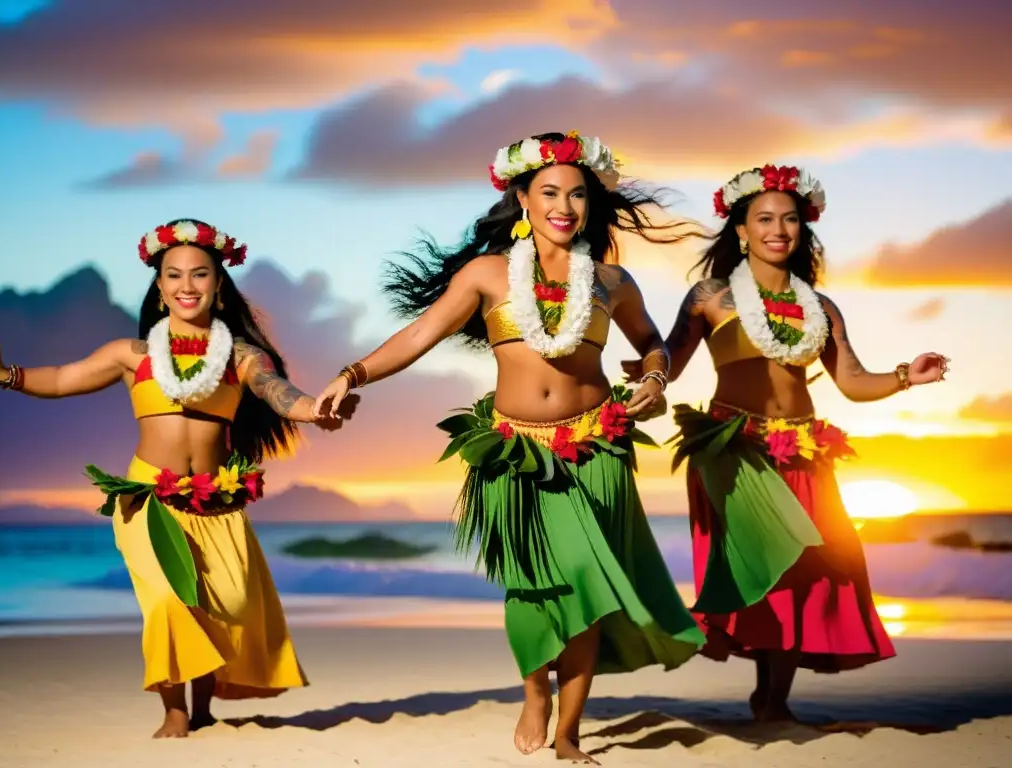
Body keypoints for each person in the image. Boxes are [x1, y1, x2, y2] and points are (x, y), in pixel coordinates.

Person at [314, 132, 706, 763]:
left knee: (585, 587)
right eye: (550, 191)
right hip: (515, 454)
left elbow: (653, 342)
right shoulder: (489, 275)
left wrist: (657, 377)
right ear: (522, 197)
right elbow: (420, 334)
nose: (565, 205)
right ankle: (534, 691)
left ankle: (570, 733)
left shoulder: (611, 279)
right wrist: (351, 373)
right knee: (530, 589)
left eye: (578, 194)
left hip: (594, 449)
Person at [0, 219, 357, 738]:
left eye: (200, 274)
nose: (187, 285)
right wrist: (6, 373)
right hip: (148, 501)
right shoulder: (130, 355)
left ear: (218, 286)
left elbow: (278, 391)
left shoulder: (241, 358)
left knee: (222, 606)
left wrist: (315, 411)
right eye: (174, 275)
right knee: (167, 601)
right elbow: (63, 379)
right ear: (159, 289)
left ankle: (204, 707)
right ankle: (175, 712)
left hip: (217, 502)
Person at [623, 165, 949, 722]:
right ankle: (737, 672)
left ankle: (772, 698)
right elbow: (671, 355)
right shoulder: (712, 296)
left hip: (804, 451)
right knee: (765, 570)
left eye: (790, 218)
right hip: (735, 450)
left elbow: (851, 380)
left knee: (806, 575)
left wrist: (902, 376)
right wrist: (651, 376)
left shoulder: (821, 308)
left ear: (804, 229)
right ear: (741, 230)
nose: (779, 228)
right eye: (764, 218)